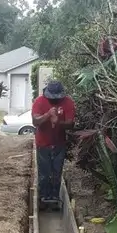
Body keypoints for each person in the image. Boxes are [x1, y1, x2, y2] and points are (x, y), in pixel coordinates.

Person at [32, 81, 75, 210]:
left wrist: (58, 122)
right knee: (44, 173)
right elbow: (35, 121)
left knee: (57, 172)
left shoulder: (68, 102)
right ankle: (43, 198)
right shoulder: (39, 102)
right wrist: (48, 115)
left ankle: (55, 197)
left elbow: (70, 124)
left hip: (59, 143)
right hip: (43, 143)